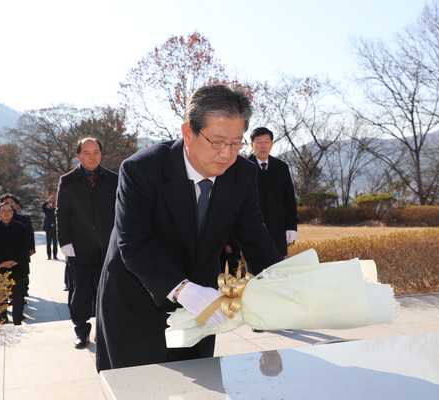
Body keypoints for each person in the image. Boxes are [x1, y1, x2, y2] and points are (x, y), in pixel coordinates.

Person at [95, 84, 283, 372]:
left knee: (200, 383)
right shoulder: (142, 170)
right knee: (140, 387)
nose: (226, 154)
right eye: (217, 141)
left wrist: (282, 284)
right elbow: (133, 243)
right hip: (136, 295)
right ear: (188, 133)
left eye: (235, 143)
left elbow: (254, 234)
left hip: (202, 298)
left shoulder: (243, 174)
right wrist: (183, 290)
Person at [56, 137, 118, 349]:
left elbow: (121, 213)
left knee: (107, 292)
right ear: (78, 155)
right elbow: (61, 214)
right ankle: (81, 332)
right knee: (79, 292)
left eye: (96, 152)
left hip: (107, 248)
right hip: (79, 249)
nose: (93, 157)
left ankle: (104, 331)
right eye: (87, 152)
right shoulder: (68, 181)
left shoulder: (113, 179)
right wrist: (64, 242)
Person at [248, 127, 298, 266]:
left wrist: (291, 227)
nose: (263, 145)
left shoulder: (282, 168)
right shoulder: (243, 167)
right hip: (251, 231)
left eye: (267, 141)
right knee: (254, 276)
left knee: (277, 272)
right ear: (252, 144)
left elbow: (289, 199)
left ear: (272, 144)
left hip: (277, 230)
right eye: (259, 142)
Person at [0, 202, 29, 325]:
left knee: (18, 298)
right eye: (3, 210)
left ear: (13, 212)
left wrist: (15, 261)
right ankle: (3, 320)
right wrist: (1, 262)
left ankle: (18, 321)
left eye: (9, 210)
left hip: (18, 267)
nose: (6, 212)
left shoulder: (21, 227)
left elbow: (24, 247)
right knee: (1, 298)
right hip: (0, 268)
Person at [42, 195, 58, 260]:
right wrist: (48, 200)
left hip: (54, 228)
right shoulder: (46, 210)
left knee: (55, 243)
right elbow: (43, 206)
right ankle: (49, 256)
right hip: (48, 229)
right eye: (50, 203)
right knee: (48, 243)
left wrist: (55, 200)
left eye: (52, 203)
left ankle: (55, 255)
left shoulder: (56, 210)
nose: (51, 204)